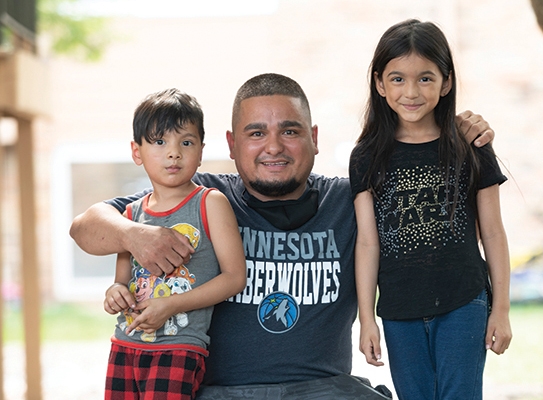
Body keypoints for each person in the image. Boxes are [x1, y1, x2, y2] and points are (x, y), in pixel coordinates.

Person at [70, 73, 495, 399]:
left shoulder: (350, 199)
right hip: (223, 392)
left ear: (313, 139)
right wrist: (133, 235)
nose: (273, 146)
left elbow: (433, 199)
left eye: (290, 131)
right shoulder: (199, 197)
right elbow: (85, 228)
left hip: (324, 389)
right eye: (256, 133)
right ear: (232, 144)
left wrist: (450, 129)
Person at [349, 20, 512, 400]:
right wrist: (366, 318)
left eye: (425, 78)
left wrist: (500, 308)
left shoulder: (471, 146)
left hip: (464, 302)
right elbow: (367, 244)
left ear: (446, 82)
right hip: (398, 310)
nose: (411, 91)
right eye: (397, 79)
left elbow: (493, 233)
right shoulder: (366, 157)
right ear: (379, 84)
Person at [102, 88, 247, 399]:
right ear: (136, 151)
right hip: (125, 343)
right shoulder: (130, 215)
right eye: (159, 141)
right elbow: (121, 281)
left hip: (178, 348)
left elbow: (235, 278)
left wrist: (169, 305)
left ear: (201, 149)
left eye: (186, 142)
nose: (173, 153)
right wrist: (115, 293)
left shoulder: (210, 203)